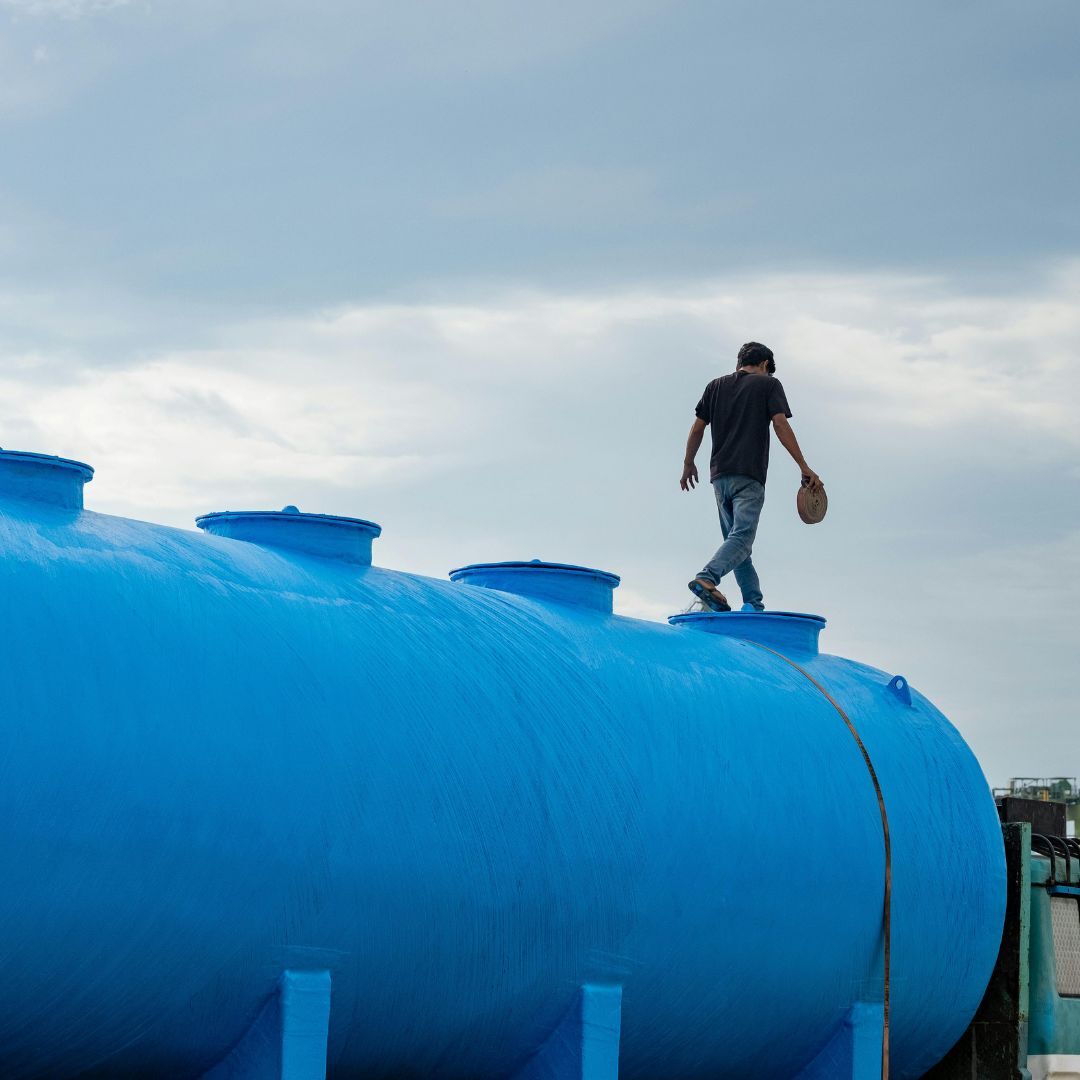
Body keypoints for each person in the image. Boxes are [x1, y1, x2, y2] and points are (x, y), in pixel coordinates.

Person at [680, 341, 821, 612]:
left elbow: (697, 428)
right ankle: (707, 577)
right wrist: (804, 466)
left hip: (719, 476)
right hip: (749, 474)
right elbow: (780, 424)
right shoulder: (769, 385)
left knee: (737, 542)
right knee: (742, 538)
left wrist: (688, 463)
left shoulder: (715, 386)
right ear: (766, 365)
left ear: (739, 363)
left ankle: (753, 604)